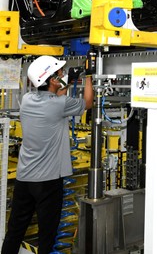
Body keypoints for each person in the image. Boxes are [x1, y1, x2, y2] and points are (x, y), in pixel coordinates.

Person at [1, 56, 94, 254]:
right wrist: (89, 77)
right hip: (48, 182)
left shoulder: (26, 100)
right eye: (59, 73)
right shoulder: (59, 105)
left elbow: (57, 95)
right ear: (51, 80)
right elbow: (87, 102)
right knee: (47, 237)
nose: (62, 74)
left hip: (24, 178)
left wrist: (67, 81)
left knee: (15, 231)